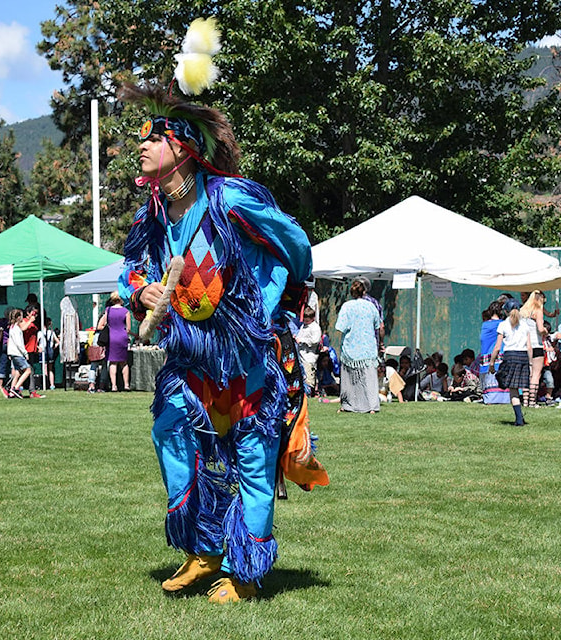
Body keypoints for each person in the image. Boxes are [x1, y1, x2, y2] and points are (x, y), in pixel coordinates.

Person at [117, 79, 327, 603]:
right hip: (189, 359)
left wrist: (285, 296)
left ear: (183, 148)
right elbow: (130, 269)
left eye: (153, 137)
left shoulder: (229, 197)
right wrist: (142, 293)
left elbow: (293, 241)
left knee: (252, 461)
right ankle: (202, 550)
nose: (141, 145)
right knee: (171, 434)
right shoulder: (154, 214)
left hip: (245, 358)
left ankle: (245, 570)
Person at [335, 279, 383, 413]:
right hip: (368, 348)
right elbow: (378, 326)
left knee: (349, 381)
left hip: (351, 346)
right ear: (364, 291)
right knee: (369, 379)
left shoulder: (346, 306)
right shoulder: (371, 306)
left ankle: (348, 405)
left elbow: (340, 327)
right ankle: (372, 406)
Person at [490, 297, 531, 425]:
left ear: (506, 311)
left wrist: (492, 363)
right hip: (523, 356)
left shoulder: (503, 325)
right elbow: (529, 347)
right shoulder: (525, 324)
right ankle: (520, 418)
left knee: (512, 389)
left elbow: (497, 348)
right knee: (519, 387)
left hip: (510, 357)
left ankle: (519, 419)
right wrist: (530, 364)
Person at [97, 292, 131, 392]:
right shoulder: (126, 311)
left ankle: (114, 386)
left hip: (111, 337)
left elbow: (103, 324)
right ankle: (126, 385)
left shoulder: (108, 310)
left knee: (113, 362)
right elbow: (128, 329)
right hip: (122, 337)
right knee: (124, 362)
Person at [520, 290, 547, 407]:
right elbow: (540, 329)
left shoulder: (522, 311)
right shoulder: (538, 311)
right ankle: (532, 401)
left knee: (527, 373)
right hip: (536, 345)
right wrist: (546, 331)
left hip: (524, 345)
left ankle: (525, 401)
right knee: (536, 374)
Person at [296, 306, 322, 395]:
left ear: (313, 318)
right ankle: (304, 392)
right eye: (305, 320)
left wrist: (303, 340)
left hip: (309, 357)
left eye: (307, 320)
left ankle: (309, 392)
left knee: (309, 374)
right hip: (301, 355)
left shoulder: (315, 328)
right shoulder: (304, 326)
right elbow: (300, 335)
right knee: (303, 375)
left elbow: (315, 341)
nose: (305, 322)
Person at [6, 309, 31, 399]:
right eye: (21, 316)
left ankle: (11, 393)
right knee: (28, 370)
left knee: (18, 372)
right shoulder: (16, 329)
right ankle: (15, 389)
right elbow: (19, 343)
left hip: (13, 353)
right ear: (18, 317)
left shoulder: (12, 327)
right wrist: (25, 353)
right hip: (17, 353)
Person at [0, 307, 15, 396]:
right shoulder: (13, 323)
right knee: (13, 364)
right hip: (11, 344)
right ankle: (12, 384)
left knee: (3, 363)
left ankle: (1, 385)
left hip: (3, 344)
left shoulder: (2, 321)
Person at [40, 316, 60, 390]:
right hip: (50, 351)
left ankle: (46, 384)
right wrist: (54, 347)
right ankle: (52, 384)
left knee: (44, 368)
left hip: (43, 351)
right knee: (50, 369)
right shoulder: (51, 332)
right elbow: (58, 342)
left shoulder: (40, 332)